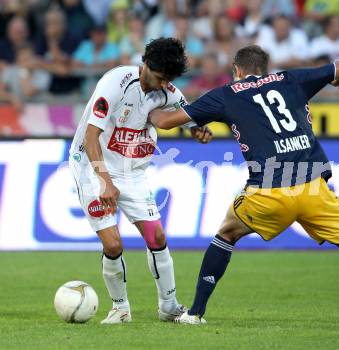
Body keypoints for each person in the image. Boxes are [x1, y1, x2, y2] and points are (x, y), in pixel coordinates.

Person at [148, 45, 339, 326]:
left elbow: (166, 122)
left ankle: (195, 313)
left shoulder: (227, 94)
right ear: (265, 69)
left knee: (226, 233)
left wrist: (148, 108)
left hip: (268, 191)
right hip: (313, 188)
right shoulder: (291, 79)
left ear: (237, 70)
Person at [69, 38, 212, 324]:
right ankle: (120, 308)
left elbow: (187, 115)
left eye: (167, 81)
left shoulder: (167, 89)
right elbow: (90, 135)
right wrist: (105, 181)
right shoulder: (115, 83)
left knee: (156, 237)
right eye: (160, 78)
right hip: (92, 166)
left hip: (132, 172)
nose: (162, 86)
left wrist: (197, 130)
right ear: (146, 64)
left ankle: (169, 306)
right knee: (112, 245)